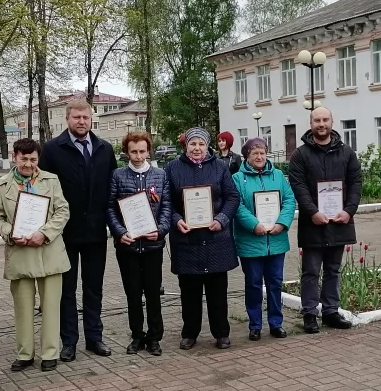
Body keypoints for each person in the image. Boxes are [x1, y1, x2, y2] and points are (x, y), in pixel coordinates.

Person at [38, 98, 115, 361]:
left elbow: (112, 189)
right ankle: (68, 340)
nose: (81, 122)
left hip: (96, 231)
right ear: (67, 118)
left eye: (85, 117)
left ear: (91, 119)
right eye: (77, 117)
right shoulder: (52, 149)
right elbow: (44, 189)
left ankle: (94, 337)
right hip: (64, 233)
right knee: (66, 290)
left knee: (94, 288)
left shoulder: (104, 148)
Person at [0, 138, 71, 372]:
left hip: (48, 251)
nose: (28, 164)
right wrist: (9, 232)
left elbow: (62, 211)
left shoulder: (51, 180)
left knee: (51, 307)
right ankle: (25, 354)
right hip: (20, 252)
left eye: (33, 159)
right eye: (23, 159)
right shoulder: (2, 185)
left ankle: (50, 353)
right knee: (23, 308)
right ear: (14, 157)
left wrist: (44, 233)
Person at [288, 107, 361, 334]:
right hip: (313, 223)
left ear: (332, 122)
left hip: (339, 221)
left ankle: (331, 312)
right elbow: (298, 186)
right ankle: (310, 314)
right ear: (311, 123)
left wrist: (349, 211)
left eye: (325, 120)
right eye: (317, 120)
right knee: (310, 271)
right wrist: (312, 212)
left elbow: (356, 183)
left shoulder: (347, 153)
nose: (321, 124)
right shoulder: (300, 154)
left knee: (333, 270)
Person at [166, 127, 240, 350]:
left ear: (208, 146)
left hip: (215, 237)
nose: (197, 148)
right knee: (190, 291)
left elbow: (232, 197)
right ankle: (190, 333)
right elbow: (167, 201)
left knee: (218, 291)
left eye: (201, 144)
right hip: (187, 239)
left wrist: (222, 219)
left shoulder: (220, 167)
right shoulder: (173, 168)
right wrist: (177, 219)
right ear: (186, 145)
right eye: (193, 144)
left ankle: (221, 333)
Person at [107, 131, 171, 357]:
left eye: (142, 151)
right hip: (128, 246)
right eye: (133, 151)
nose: (138, 156)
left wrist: (160, 230)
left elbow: (166, 206)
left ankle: (154, 337)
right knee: (133, 294)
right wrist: (119, 232)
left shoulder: (160, 175)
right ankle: (137, 336)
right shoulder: (117, 175)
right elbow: (110, 208)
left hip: (153, 246)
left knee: (153, 293)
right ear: (126, 152)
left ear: (148, 151)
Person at [232, 137, 296, 341]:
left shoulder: (278, 176)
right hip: (251, 241)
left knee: (275, 283)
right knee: (253, 284)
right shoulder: (237, 179)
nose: (259, 157)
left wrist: (282, 223)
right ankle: (255, 325)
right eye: (255, 154)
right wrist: (254, 224)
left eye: (262, 153)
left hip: (276, 240)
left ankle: (276, 323)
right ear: (247, 156)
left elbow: (289, 200)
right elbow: (237, 206)